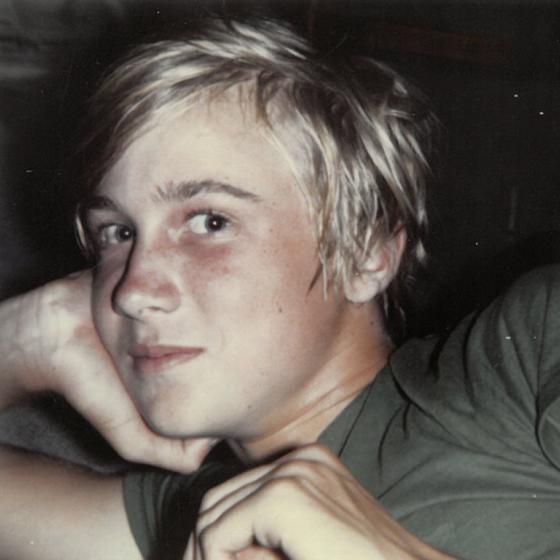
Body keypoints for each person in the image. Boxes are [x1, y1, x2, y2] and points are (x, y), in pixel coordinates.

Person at [1, 15, 559, 560]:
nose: (132, 291)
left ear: (365, 252)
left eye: (210, 222)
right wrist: (32, 334)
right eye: (118, 233)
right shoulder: (197, 515)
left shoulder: (526, 352)